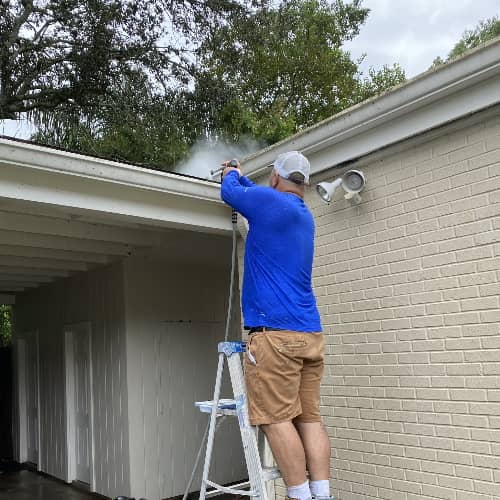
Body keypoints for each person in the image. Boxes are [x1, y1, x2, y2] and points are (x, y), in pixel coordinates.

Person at [220, 151, 334, 500]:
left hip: (276, 337)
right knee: (309, 419)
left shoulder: (269, 201)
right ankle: (321, 494)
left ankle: (299, 496)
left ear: (275, 177)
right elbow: (254, 197)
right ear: (307, 183)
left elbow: (231, 192)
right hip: (309, 335)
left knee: (274, 419)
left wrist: (231, 171)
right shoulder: (304, 216)